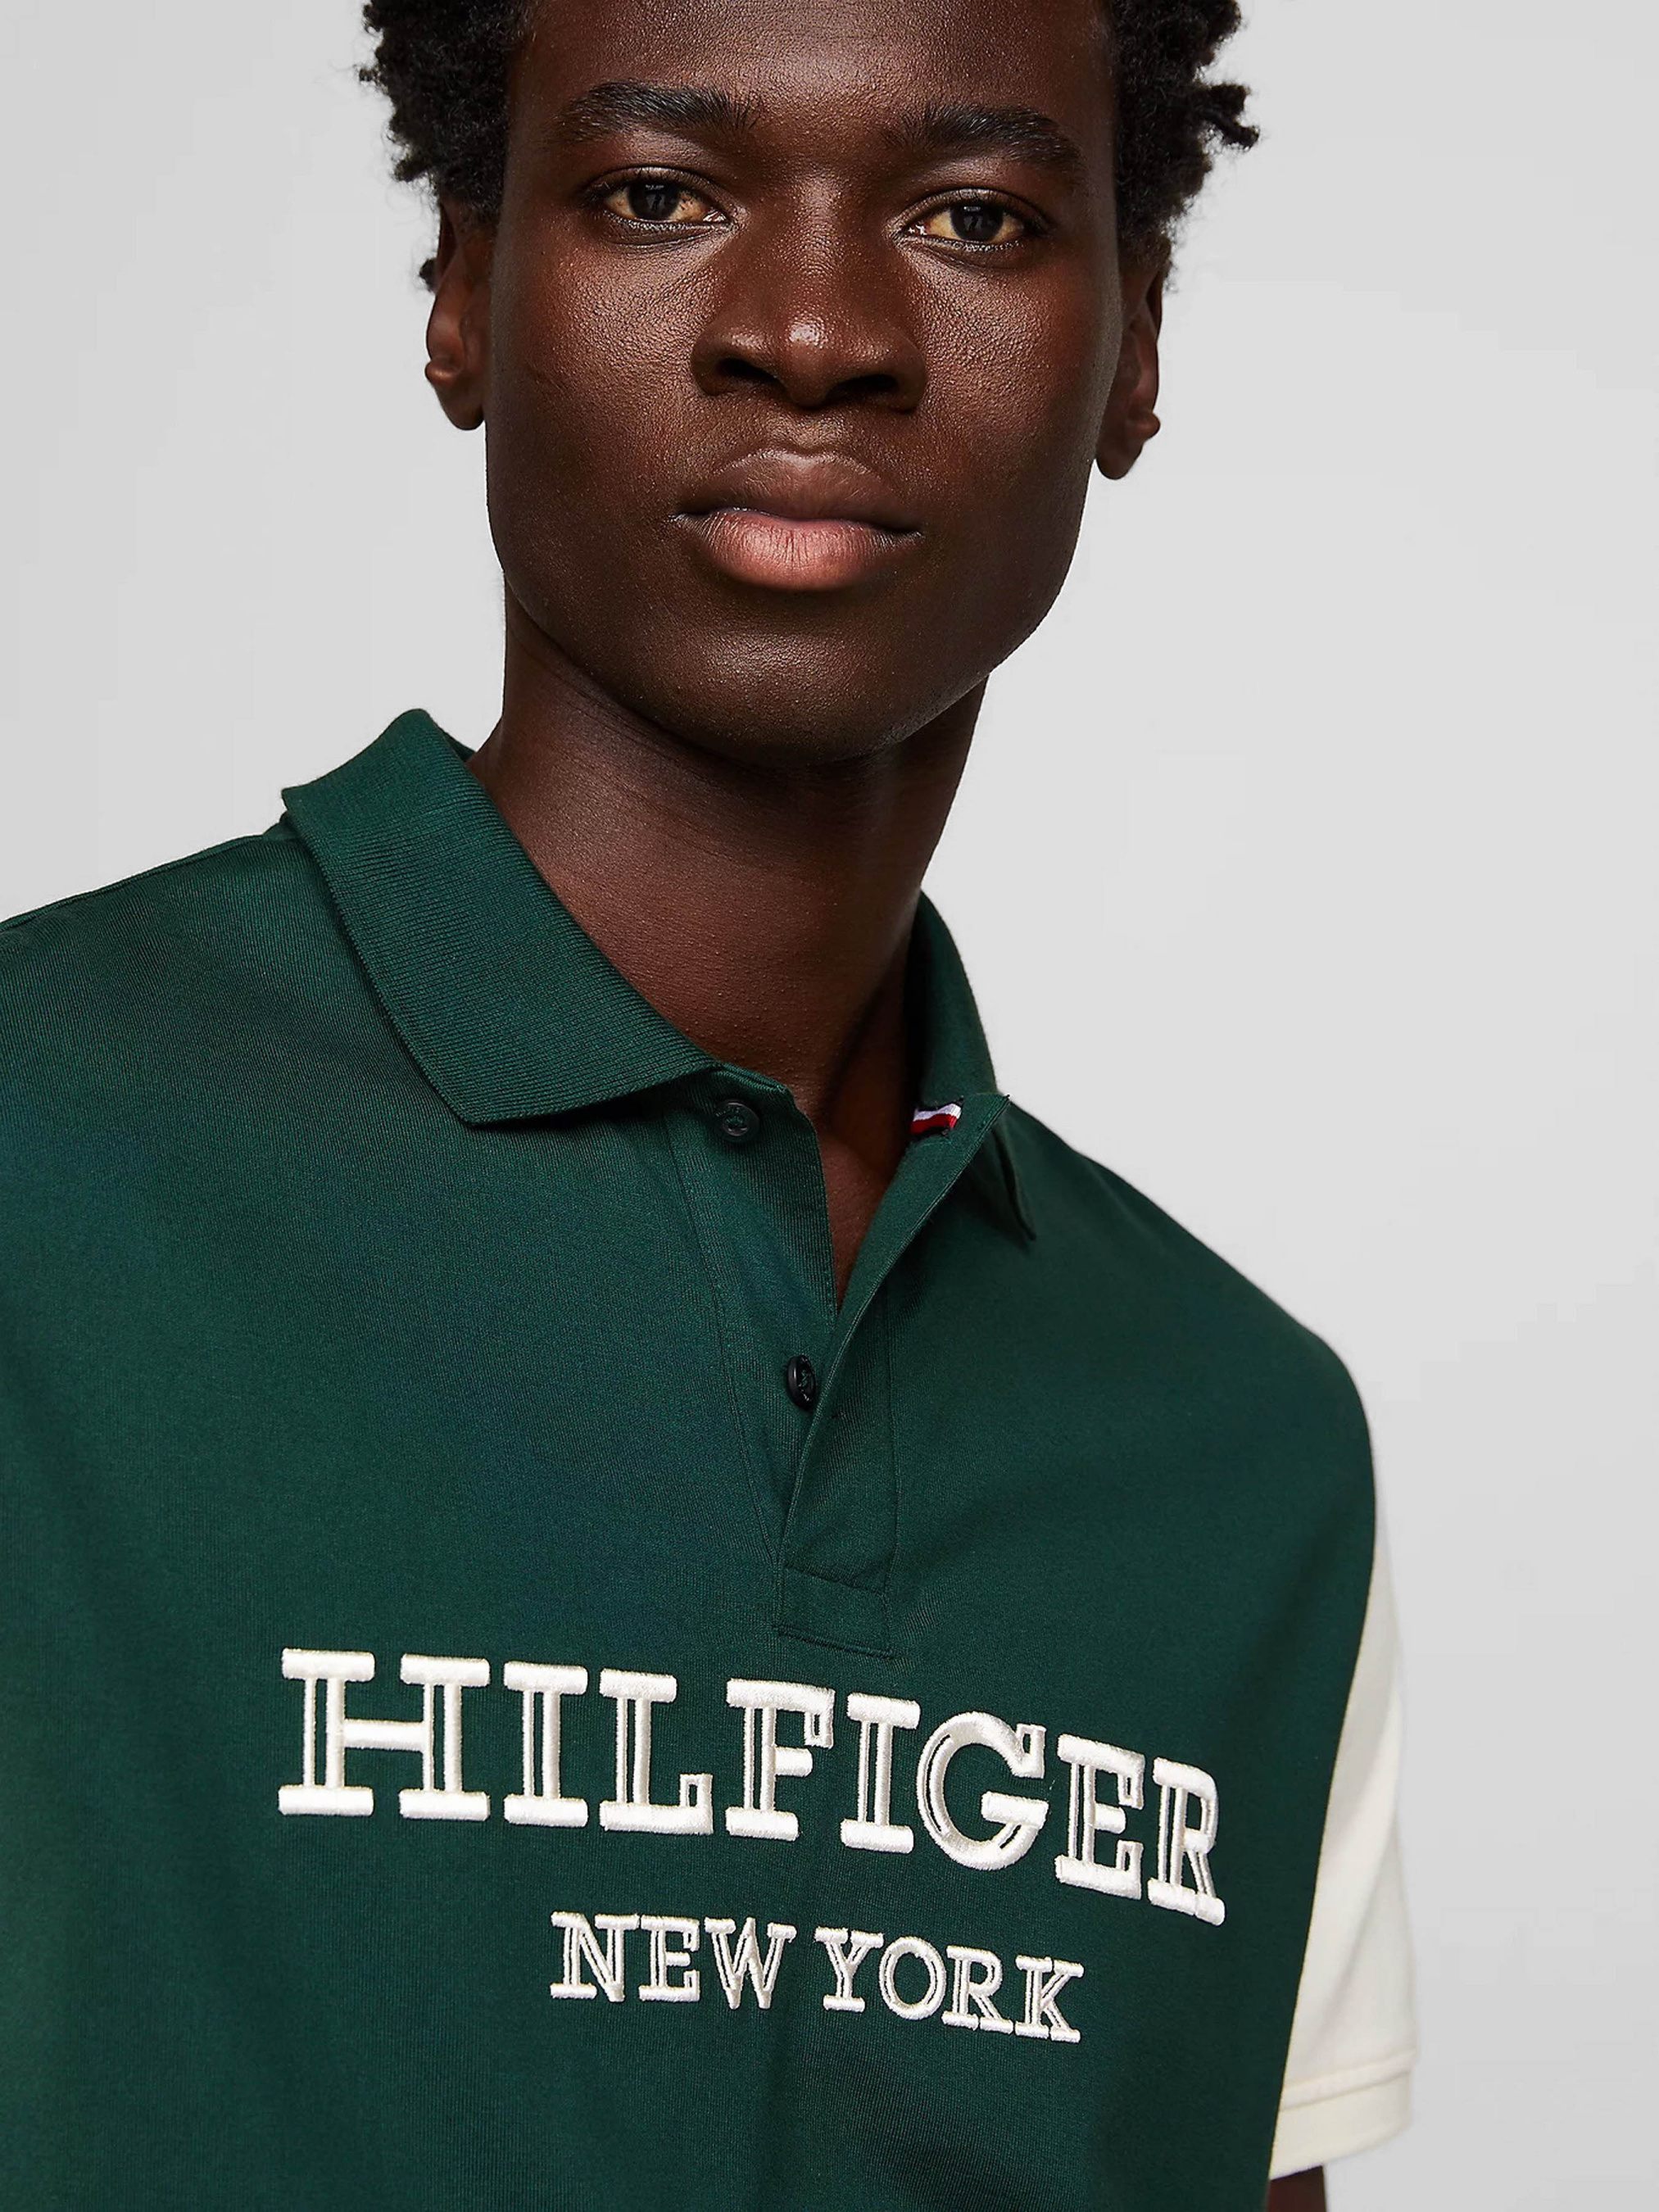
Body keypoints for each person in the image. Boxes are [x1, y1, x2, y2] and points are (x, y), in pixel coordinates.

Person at [0, 1, 1416, 2205]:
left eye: (973, 215)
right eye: (659, 192)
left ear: (1134, 346)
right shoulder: (44, 1163)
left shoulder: (1243, 1451)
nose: (813, 334)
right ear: (464, 288)